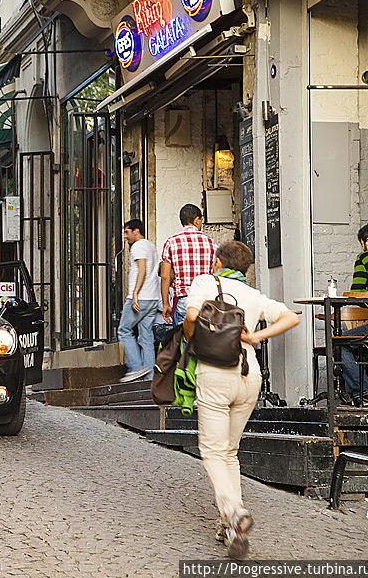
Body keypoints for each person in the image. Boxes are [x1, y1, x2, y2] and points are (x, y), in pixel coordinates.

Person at [184, 241, 299, 559]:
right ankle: (228, 528)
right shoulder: (253, 294)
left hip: (216, 375)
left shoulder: (207, 282)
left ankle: (235, 513)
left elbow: (192, 315)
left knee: (212, 451)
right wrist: (256, 337)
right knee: (229, 452)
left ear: (218, 261)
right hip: (250, 377)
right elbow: (291, 318)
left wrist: (189, 333)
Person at [337, 221, 368, 405]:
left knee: (339, 344)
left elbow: (357, 294)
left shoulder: (364, 259)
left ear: (367, 243)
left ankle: (367, 392)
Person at [161, 204, 217, 325]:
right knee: (205, 340)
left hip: (184, 301)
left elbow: (165, 276)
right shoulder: (211, 243)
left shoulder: (171, 242)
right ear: (196, 220)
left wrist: (165, 304)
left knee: (185, 340)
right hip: (206, 301)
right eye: (201, 220)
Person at [117, 220, 160, 382]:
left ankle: (136, 367)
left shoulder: (139, 246)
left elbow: (142, 269)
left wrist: (135, 293)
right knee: (146, 337)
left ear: (137, 231)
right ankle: (150, 378)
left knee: (124, 330)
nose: (125, 235)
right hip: (152, 298)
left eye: (127, 232)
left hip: (140, 298)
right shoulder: (150, 246)